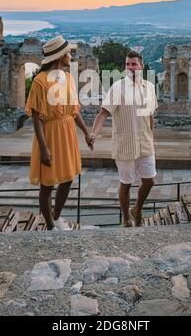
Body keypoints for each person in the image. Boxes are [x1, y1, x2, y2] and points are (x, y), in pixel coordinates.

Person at [25, 35, 93, 230]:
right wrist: (44, 147)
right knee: (47, 185)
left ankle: (56, 217)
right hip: (50, 133)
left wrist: (86, 133)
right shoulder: (40, 81)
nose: (70, 56)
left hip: (67, 132)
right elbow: (36, 118)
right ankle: (50, 227)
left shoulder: (69, 78)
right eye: (68, 53)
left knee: (68, 178)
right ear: (59, 56)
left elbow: (74, 110)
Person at [91, 51, 157, 227]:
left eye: (134, 64)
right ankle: (126, 219)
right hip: (125, 143)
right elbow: (103, 113)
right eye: (127, 64)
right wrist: (94, 134)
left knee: (149, 181)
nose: (130, 68)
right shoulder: (118, 88)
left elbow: (150, 114)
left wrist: (151, 134)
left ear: (141, 66)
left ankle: (137, 209)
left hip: (145, 142)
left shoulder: (149, 87)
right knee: (126, 183)